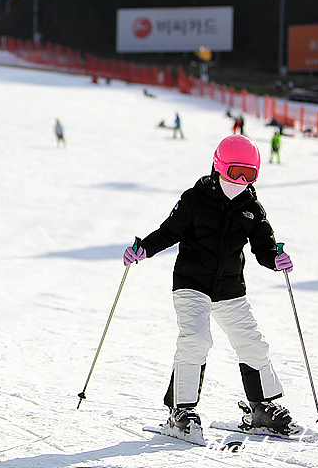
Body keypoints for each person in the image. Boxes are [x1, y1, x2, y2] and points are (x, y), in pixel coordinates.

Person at [123, 135, 295, 436]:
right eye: (235, 173)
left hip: (230, 288)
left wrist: (275, 259)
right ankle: (182, 409)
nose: (241, 181)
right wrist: (144, 249)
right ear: (219, 167)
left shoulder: (252, 208)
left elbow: (263, 246)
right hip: (192, 282)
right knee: (197, 339)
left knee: (252, 343)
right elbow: (169, 232)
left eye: (250, 174)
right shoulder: (195, 199)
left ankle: (262, 407)